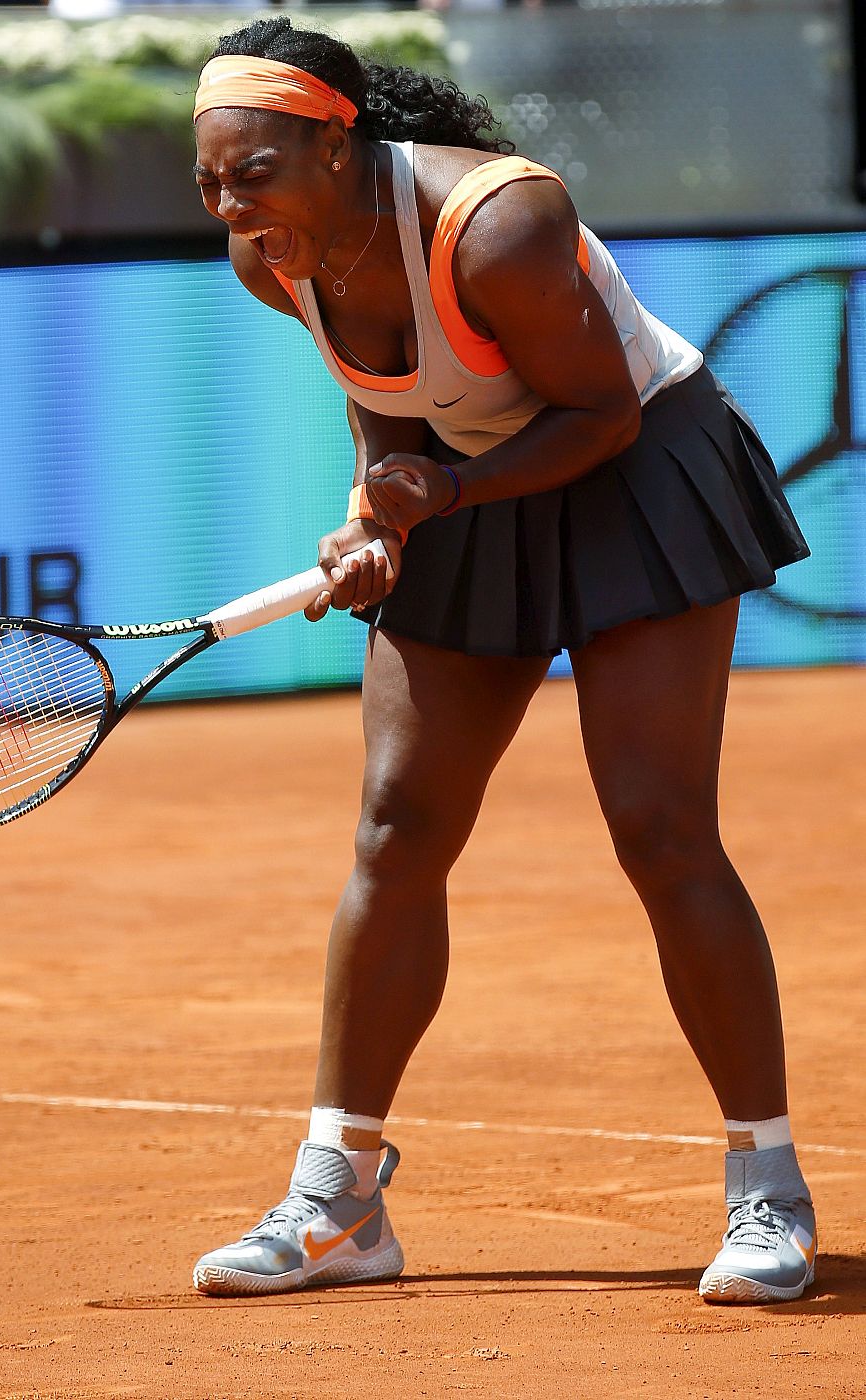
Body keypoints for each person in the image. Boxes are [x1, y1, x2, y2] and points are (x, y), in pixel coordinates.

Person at [189, 17, 816, 1305]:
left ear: (334, 137)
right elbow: (380, 389)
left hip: (632, 470)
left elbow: (603, 410)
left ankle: (770, 1199)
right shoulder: (274, 255)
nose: (229, 204)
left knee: (659, 829)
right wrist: (375, 509)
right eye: (206, 180)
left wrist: (443, 496)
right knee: (395, 829)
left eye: (251, 171)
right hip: (472, 485)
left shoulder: (500, 223)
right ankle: (341, 1201)